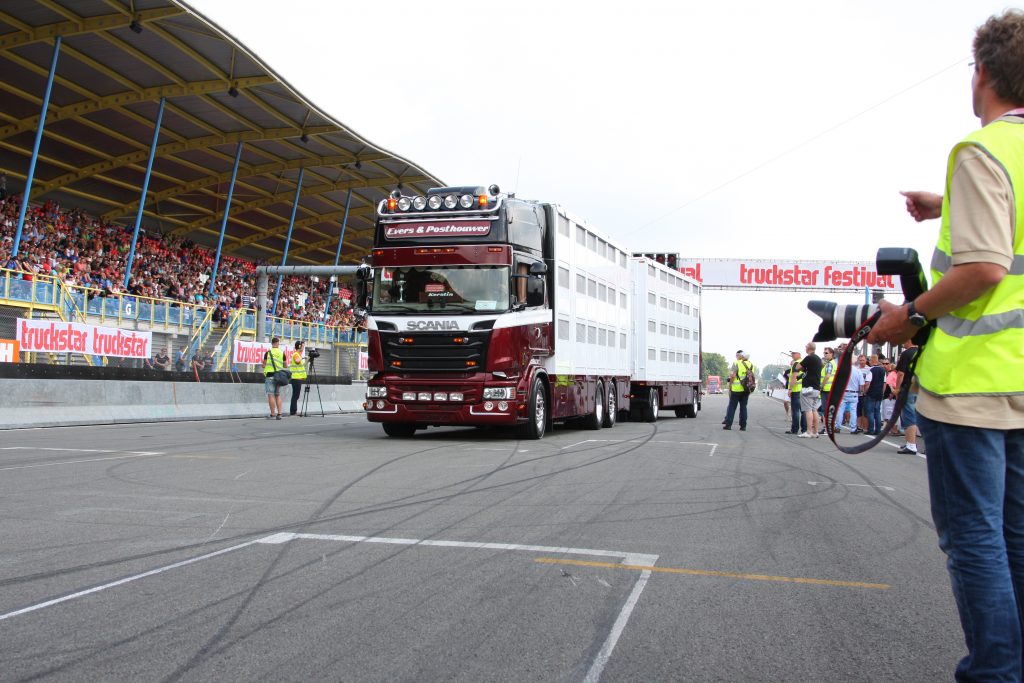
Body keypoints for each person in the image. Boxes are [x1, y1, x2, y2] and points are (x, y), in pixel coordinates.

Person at [868, 12, 1024, 679]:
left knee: (973, 538)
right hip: (1018, 380)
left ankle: (995, 669)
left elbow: (986, 267)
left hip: (970, 383)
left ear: (982, 73)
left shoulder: (981, 151)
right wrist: (945, 204)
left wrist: (907, 316)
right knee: (1015, 536)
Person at [894, 340, 920, 455]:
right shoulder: (921, 352)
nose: (903, 342)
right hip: (919, 388)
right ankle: (910, 442)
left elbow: (900, 374)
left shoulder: (907, 353)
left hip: (907, 387)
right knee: (913, 414)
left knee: (908, 415)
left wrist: (897, 388)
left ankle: (911, 445)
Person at [722, 349, 753, 431]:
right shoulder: (751, 365)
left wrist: (730, 385)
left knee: (732, 407)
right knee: (743, 407)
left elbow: (732, 375)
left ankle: (728, 425)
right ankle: (743, 426)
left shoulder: (737, 363)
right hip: (746, 389)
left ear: (742, 356)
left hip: (736, 389)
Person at [798, 342, 822, 438]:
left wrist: (804, 368)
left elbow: (798, 367)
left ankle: (808, 431)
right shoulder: (818, 359)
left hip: (808, 387)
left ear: (808, 348)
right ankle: (815, 431)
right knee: (814, 410)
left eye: (805, 346)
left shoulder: (809, 358)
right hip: (816, 387)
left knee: (808, 410)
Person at [263, 336, 288, 420]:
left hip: (270, 376)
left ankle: (273, 414)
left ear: (272, 343)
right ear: (278, 343)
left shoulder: (268, 353)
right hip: (278, 377)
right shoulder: (282, 353)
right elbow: (285, 365)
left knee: (271, 395)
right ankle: (279, 413)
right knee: (277, 395)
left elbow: (263, 365)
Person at [784, 350, 806, 435]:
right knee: (803, 410)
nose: (791, 355)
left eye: (793, 353)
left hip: (796, 390)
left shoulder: (796, 363)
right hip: (803, 389)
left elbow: (794, 377)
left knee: (796, 410)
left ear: (798, 354)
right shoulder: (804, 362)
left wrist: (790, 389)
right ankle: (804, 429)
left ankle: (795, 429)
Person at [863, 354, 886, 435]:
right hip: (879, 394)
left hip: (871, 393)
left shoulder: (870, 370)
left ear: (871, 361)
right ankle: (878, 429)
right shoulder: (883, 370)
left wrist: (865, 391)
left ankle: (871, 429)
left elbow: (868, 383)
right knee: (877, 411)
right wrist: (882, 393)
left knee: (870, 412)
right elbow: (884, 384)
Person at [818, 347, 836, 433]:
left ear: (831, 354)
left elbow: (828, 376)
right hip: (830, 389)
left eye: (826, 353)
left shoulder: (829, 364)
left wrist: (821, 386)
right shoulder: (832, 363)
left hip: (827, 389)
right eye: (824, 353)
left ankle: (826, 428)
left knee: (825, 409)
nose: (824, 354)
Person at [289, 340, 308, 416]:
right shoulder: (296, 354)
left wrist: (308, 359)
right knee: (295, 395)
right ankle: (293, 411)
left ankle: (293, 411)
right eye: (302, 346)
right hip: (296, 378)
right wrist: (303, 357)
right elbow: (297, 361)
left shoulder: (299, 355)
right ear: (299, 346)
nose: (303, 347)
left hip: (298, 378)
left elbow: (303, 366)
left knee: (296, 395)